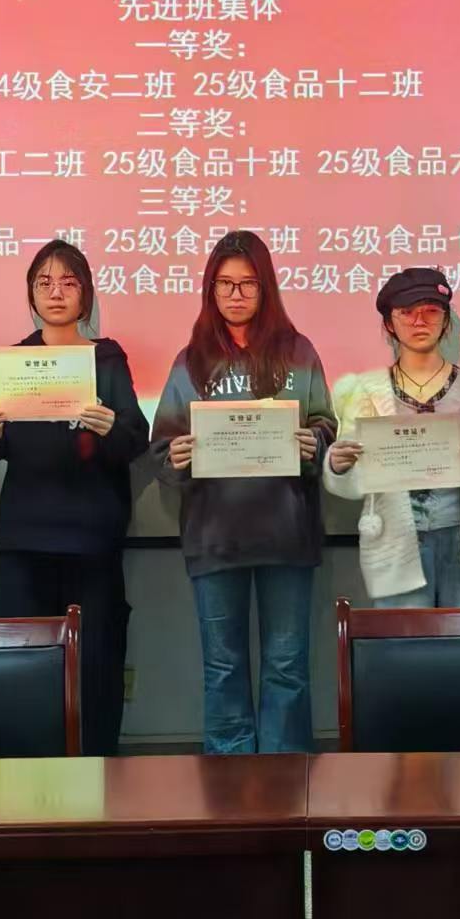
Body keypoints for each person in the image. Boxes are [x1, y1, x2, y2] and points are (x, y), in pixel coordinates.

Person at [149, 230, 336, 754]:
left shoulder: (298, 352)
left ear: (265, 287)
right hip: (215, 536)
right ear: (210, 289)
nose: (235, 294)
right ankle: (230, 784)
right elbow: (161, 446)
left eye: (247, 283)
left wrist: (314, 441)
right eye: (225, 284)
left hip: (286, 533)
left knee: (287, 667)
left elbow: (326, 425)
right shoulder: (190, 361)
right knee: (223, 668)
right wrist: (176, 455)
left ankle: (285, 779)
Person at [0, 239, 148, 757]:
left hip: (91, 540)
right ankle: (29, 778)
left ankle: (97, 772)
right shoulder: (13, 362)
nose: (56, 292)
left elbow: (135, 439)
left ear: (86, 294)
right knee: (25, 665)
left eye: (68, 282)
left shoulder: (107, 358)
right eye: (44, 283)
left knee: (97, 664)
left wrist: (110, 426)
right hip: (25, 538)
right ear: (31, 294)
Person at [324, 269, 460, 607]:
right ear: (389, 323)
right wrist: (339, 466)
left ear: (446, 321)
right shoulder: (366, 392)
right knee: (403, 638)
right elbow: (353, 484)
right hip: (396, 543)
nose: (419, 321)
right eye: (406, 312)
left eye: (431, 311)